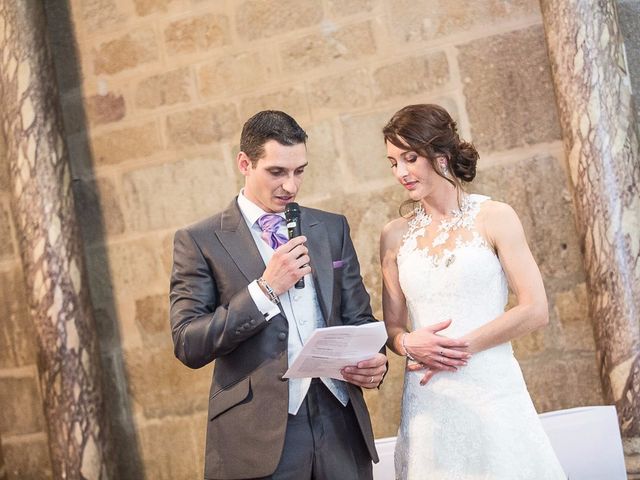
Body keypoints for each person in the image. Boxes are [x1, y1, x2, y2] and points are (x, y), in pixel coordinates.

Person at [169, 110, 387, 480]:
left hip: (340, 422)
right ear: (245, 163)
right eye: (277, 172)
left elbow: (360, 319)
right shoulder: (200, 241)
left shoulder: (330, 228)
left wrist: (374, 363)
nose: (291, 186)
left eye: (299, 171)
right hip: (258, 436)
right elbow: (188, 342)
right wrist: (265, 289)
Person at [379, 104, 566, 479]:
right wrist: (409, 345)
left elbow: (535, 308)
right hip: (428, 398)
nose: (400, 172)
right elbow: (393, 329)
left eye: (410, 158)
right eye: (393, 162)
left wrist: (458, 348)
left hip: (491, 388)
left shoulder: (495, 216)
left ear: (441, 155)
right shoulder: (393, 235)